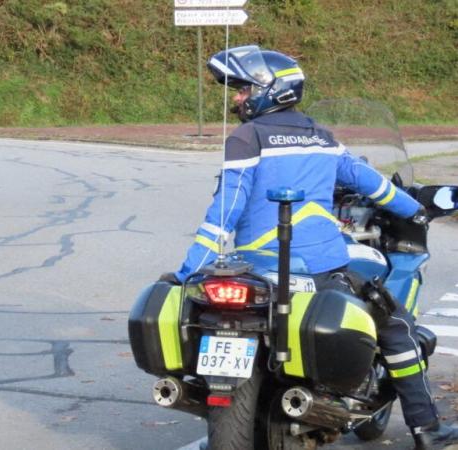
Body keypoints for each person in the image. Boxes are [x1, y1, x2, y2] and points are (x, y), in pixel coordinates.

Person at [164, 45, 454, 450]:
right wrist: (415, 209)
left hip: (255, 267)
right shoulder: (321, 138)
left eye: (244, 89)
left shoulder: (247, 138)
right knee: (396, 328)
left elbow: (225, 209)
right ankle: (427, 430)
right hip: (321, 268)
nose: (236, 97)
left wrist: (189, 270)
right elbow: (370, 183)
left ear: (272, 90)